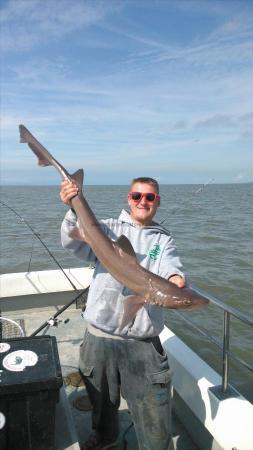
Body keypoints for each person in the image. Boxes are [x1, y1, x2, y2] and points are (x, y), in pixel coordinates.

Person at [60, 177, 186, 450]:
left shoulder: (163, 240)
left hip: (142, 344)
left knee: (153, 413)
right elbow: (73, 243)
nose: (143, 201)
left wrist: (176, 279)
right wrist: (72, 208)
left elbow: (171, 267)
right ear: (128, 198)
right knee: (101, 402)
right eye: (137, 195)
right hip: (99, 336)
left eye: (150, 197)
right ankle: (105, 436)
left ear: (157, 202)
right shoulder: (107, 228)